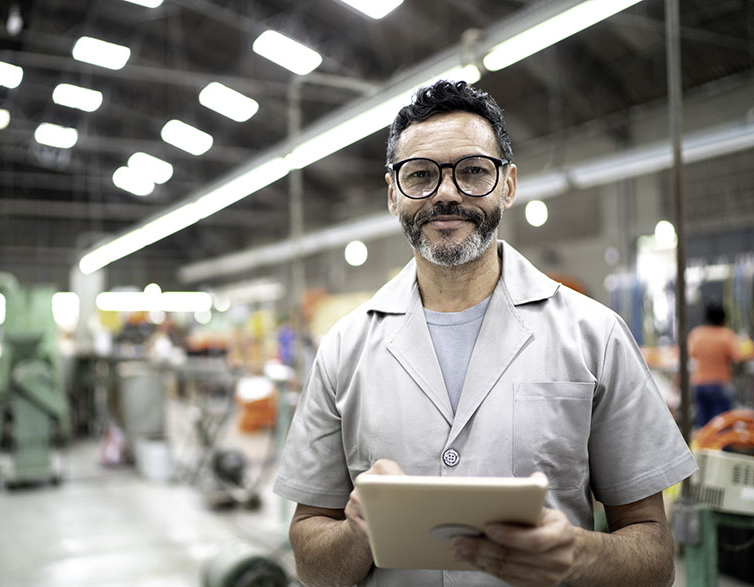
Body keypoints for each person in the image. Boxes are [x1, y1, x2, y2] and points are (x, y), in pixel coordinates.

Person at [273, 80, 697, 587]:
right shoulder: (343, 349)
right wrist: (360, 531)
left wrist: (577, 555)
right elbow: (311, 562)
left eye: (473, 171)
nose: (447, 193)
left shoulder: (595, 336)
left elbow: (655, 556)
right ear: (393, 194)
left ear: (509, 184)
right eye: (421, 175)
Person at [688, 301, 742, 427]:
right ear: (723, 318)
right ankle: (720, 446)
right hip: (720, 385)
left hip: (699, 384)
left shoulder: (697, 334)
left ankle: (704, 446)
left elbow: (692, 354)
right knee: (721, 426)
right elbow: (738, 359)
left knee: (704, 425)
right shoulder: (726, 335)